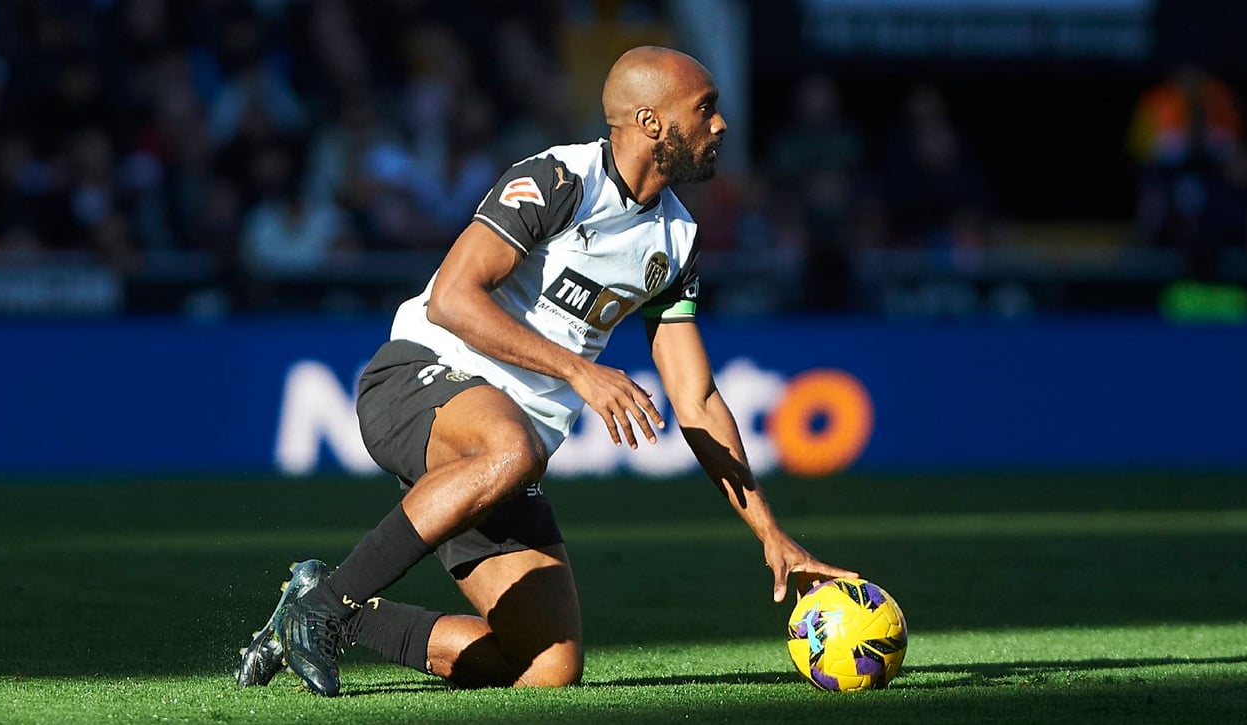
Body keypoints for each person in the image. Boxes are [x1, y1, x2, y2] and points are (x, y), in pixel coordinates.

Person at [235, 45, 858, 697]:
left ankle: (332, 608)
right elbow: (453, 296)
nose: (721, 126)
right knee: (513, 448)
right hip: (417, 377)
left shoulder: (677, 243)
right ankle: (326, 604)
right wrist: (579, 373)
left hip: (500, 456)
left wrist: (771, 532)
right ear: (649, 122)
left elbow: (696, 397)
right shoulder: (559, 180)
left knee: (545, 667)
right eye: (705, 110)